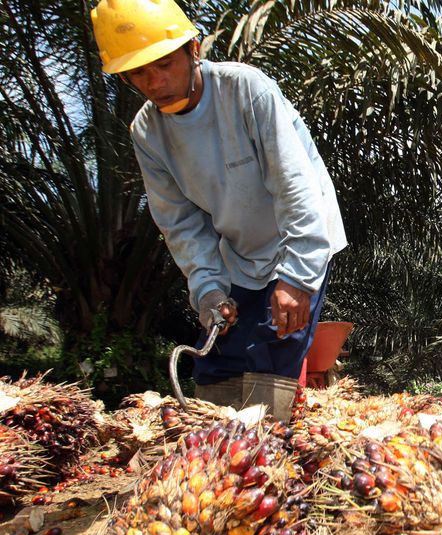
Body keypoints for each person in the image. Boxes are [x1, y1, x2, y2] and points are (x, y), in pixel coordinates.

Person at [90, 0, 347, 421]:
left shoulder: (246, 90)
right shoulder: (147, 132)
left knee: (273, 353)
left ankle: (269, 463)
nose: (155, 82)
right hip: (239, 257)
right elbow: (180, 222)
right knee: (217, 359)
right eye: (138, 72)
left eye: (165, 64)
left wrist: (298, 278)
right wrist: (208, 288)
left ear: (193, 49)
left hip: (297, 241)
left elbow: (296, 186)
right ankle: (216, 465)